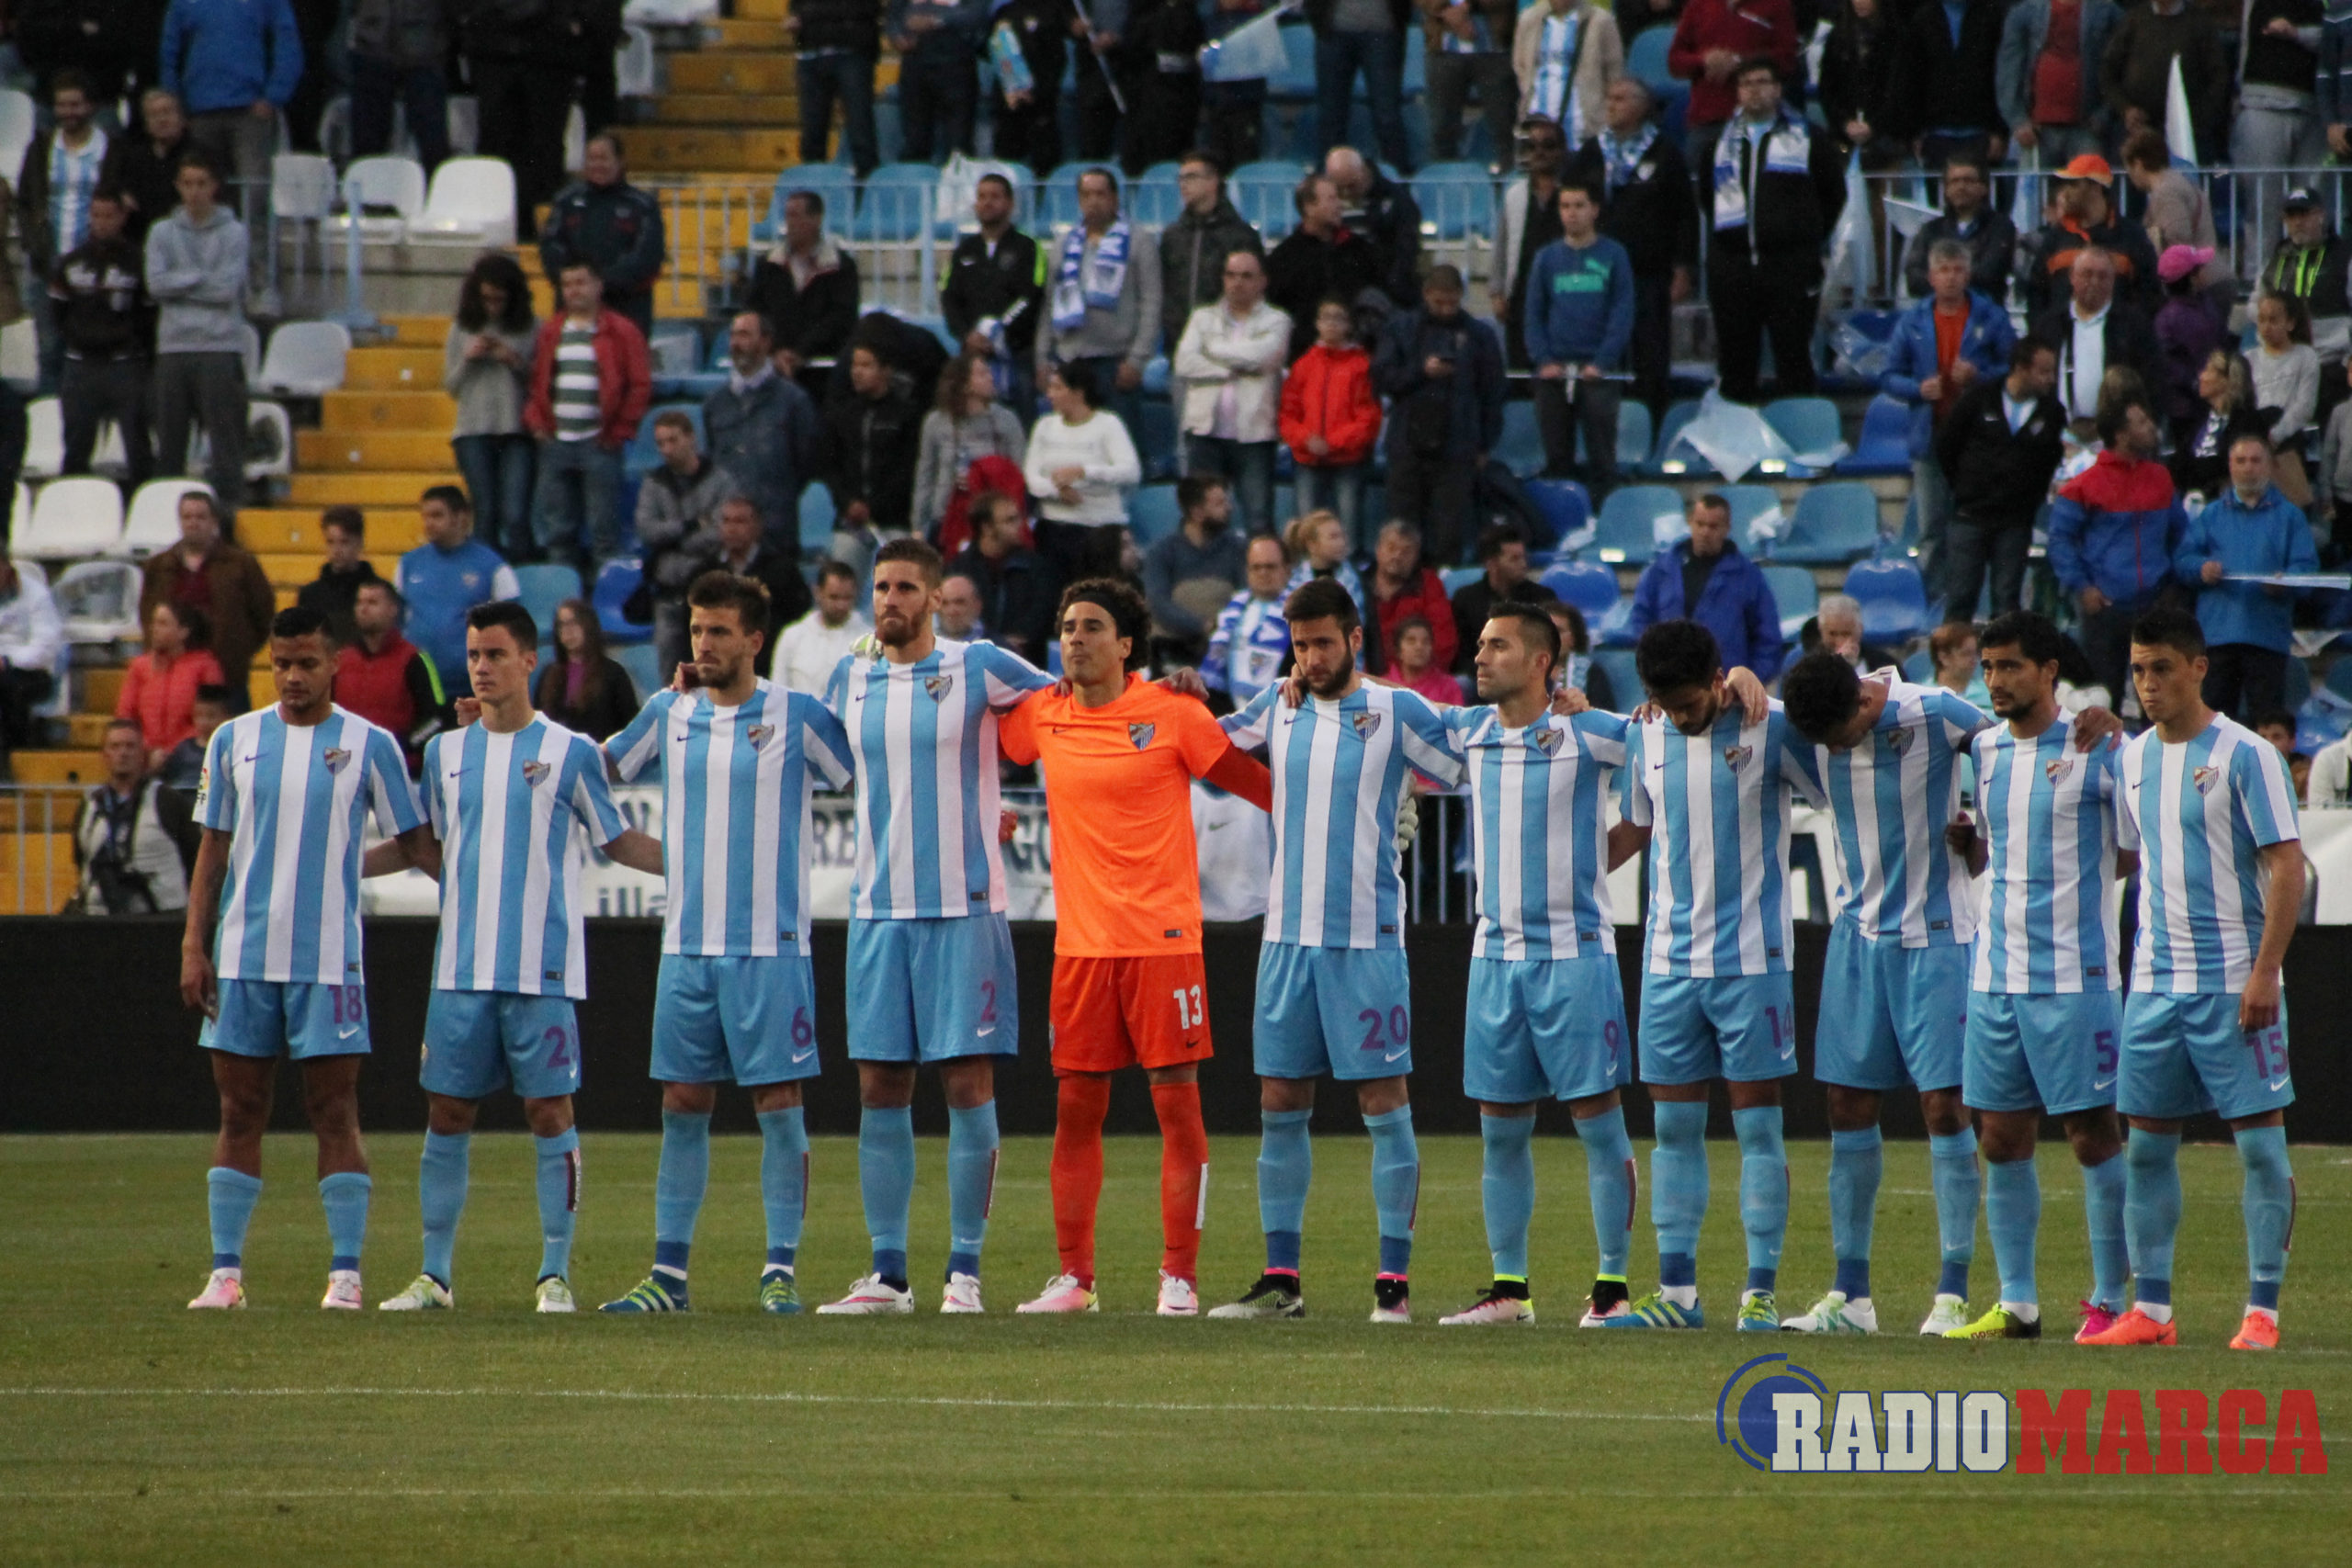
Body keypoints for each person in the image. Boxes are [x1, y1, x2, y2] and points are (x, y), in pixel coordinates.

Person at [370, 598, 656, 1314]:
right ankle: (434, 1275)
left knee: (550, 1112)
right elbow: (425, 846)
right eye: (474, 654)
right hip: (460, 967)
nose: (481, 666)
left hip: (541, 966)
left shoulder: (570, 752)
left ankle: (554, 1273)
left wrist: (700, 865)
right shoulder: (445, 754)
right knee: (447, 1113)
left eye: (495, 654)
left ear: (530, 660)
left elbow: (618, 839)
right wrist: (339, 865)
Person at [996, 577, 1272, 1314]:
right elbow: (971, 741)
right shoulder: (1042, 713)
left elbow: (1255, 783)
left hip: (1164, 941)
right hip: (1081, 949)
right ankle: (1075, 1279)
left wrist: (1347, 816)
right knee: (1075, 1112)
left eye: (1092, 627)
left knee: (1177, 1110)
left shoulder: (1174, 712)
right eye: (1067, 627)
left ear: (1125, 645)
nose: (1075, 638)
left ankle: (1179, 1276)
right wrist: (985, 811)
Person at [808, 538, 1057, 1314]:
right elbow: (805, 751)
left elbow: (1071, 705)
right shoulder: (849, 675)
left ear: (936, 597)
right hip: (879, 911)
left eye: (906, 587)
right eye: (882, 586)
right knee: (879, 1084)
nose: (890, 599)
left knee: (967, 1081)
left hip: (964, 908)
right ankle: (888, 1274)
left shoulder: (978, 666)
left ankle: (964, 1272)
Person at [596, 572, 854, 1314]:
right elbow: (593, 768)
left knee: (778, 1101)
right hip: (687, 945)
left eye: (717, 631)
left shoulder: (798, 715)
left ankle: (780, 1270)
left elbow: (866, 774)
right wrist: (633, 846)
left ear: (754, 640)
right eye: (696, 629)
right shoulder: (669, 710)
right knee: (682, 1101)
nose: (702, 643)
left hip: (771, 946)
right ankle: (668, 1277)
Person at [1207, 579, 1453, 1323]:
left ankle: (1393, 1286)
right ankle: (1281, 1279)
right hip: (1286, 938)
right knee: (1280, 1102)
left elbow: (1478, 749)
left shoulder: (1396, 709)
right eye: (1299, 644)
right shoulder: (1277, 706)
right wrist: (1177, 688)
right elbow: (1205, 741)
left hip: (1365, 939)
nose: (1310, 657)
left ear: (1354, 638)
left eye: (1322, 642)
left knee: (1384, 1102)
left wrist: (1562, 705)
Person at [179, 604, 434, 1313]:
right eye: (281, 664)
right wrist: (194, 943)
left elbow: (414, 842)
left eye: (306, 663)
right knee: (239, 1109)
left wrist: (472, 888)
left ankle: (346, 1273)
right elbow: (213, 848)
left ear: (334, 664)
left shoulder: (370, 744)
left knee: (334, 1108)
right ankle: (225, 1274)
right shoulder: (233, 739)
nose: (292, 676)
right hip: (242, 957)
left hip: (329, 961)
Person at [1409, 604, 1638, 1328]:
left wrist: (1595, 863)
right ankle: (1510, 1287)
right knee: (1501, 1130)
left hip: (1576, 956)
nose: (1480, 656)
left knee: (1598, 1124)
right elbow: (1378, 710)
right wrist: (1300, 679)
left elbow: (1667, 752)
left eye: (1498, 645)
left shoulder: (1590, 731)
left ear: (1543, 662)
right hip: (1495, 958)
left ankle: (1612, 1287)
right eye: (1480, 644)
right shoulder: (1468, 730)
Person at [2088, 607, 2303, 1350]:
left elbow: (2286, 866)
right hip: (2153, 984)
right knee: (2147, 1149)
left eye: (2162, 669)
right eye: (2138, 670)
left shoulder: (2247, 754)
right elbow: (2135, 857)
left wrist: (2265, 971)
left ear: (2198, 668)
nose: (2147, 684)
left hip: (2233, 980)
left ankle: (2262, 1311)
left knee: (2261, 1148)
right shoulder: (2132, 758)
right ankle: (2151, 1310)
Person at [1602, 619, 1820, 1331]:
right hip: (1669, 962)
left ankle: (1760, 1292)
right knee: (1672, 1127)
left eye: (1689, 704)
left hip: (1752, 962)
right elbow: (1636, 826)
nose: (1678, 717)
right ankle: (1678, 1294)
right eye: (1665, 704)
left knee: (1759, 1126)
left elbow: (1839, 775)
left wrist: (1765, 683)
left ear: (1718, 679)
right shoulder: (1645, 732)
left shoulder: (1769, 724)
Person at [1777, 650, 2003, 1337]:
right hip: (1857, 936)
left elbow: (2011, 752)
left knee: (1944, 1107)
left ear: (1861, 702)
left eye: (1839, 737)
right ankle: (1851, 1297)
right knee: (1846, 1103)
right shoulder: (1814, 726)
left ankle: (1952, 1292)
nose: (1834, 751)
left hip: (1938, 937)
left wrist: (1979, 829)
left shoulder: (1933, 712)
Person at [1936, 610, 2134, 1341]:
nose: (1995, 680)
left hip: (2075, 974)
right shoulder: (1985, 749)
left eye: (2010, 666)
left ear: (2050, 672)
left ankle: (2110, 1299)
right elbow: (1993, 849)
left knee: (2091, 1134)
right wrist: (1969, 846)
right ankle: (2017, 1300)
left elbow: (2132, 848)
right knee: (1999, 1136)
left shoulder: (2097, 745)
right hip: (1995, 972)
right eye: (1988, 666)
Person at [1701, 59, 1843, 405]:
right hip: (1733, 266)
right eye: (1746, 83)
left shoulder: (1809, 137)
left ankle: (1796, 431)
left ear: (1778, 89)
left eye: (1762, 81)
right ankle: (1738, 435)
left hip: (1790, 267)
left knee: (1793, 358)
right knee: (1735, 364)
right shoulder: (1718, 142)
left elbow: (1833, 194)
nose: (1754, 90)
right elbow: (1708, 197)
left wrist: (1799, 234)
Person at [1885, 239, 2017, 610]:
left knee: (1979, 525)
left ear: (1968, 274)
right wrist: (1917, 388)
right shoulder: (1913, 321)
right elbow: (1888, 375)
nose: (1951, 277)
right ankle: (1933, 605)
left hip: (1979, 441)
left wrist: (1980, 376)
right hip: (1930, 436)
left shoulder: (1990, 316)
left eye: (1958, 269)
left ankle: (1979, 604)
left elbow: (2014, 368)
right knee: (1931, 528)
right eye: (1943, 270)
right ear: (1931, 277)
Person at [1565, 80, 1697, 416]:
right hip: (1597, 271)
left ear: (1641, 106)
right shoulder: (1593, 151)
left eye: (1620, 99)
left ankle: (1650, 420)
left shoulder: (1664, 152)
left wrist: (1683, 266)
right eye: (1609, 98)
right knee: (1601, 352)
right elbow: (1570, 203)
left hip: (1648, 272)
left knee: (1649, 353)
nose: (1611, 105)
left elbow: (1684, 213)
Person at [2051, 390, 2187, 708]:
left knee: (2160, 702)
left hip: (2155, 605)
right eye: (2142, 422)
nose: (2151, 427)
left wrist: (2174, 583)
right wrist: (2083, 587)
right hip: (2105, 609)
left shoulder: (2161, 478)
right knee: (2103, 702)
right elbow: (2060, 540)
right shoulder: (2083, 486)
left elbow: (2181, 534)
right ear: (2122, 435)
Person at [2175, 433, 2320, 721]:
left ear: (2269, 466)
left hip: (2267, 637)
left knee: (2265, 725)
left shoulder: (2291, 518)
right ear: (2230, 465)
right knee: (2214, 725)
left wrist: (2285, 582)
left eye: (2255, 460)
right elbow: (2182, 560)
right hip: (2217, 637)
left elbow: (2307, 571)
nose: (2248, 468)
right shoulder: (2211, 515)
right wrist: (2201, 568)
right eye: (2241, 461)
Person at [525, 262, 651, 570]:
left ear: (598, 285)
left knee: (603, 530)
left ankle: (602, 596)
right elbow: (537, 381)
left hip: (600, 443)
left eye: (580, 282)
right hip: (556, 443)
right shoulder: (551, 331)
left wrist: (620, 430)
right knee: (558, 532)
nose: (574, 291)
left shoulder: (622, 330)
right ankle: (562, 592)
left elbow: (640, 384)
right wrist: (537, 423)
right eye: (567, 284)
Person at [1375, 265, 1506, 567]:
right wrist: (1421, 372)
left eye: (1452, 302)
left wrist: (1485, 444)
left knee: (1450, 533)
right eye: (1439, 303)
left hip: (1458, 447)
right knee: (1403, 530)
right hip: (1407, 444)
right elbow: (1383, 378)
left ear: (1461, 296)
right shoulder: (1400, 328)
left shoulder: (1480, 335)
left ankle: (1445, 587)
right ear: (1426, 295)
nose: (1446, 309)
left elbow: (1493, 393)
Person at [1937, 335, 2067, 619]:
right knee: (1960, 599)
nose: (2051, 379)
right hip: (1970, 516)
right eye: (2043, 372)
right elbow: (1947, 446)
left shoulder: (2053, 413)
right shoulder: (1978, 398)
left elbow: (2051, 461)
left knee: (2006, 603)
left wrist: (2029, 500)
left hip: (2015, 522)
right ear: (2021, 368)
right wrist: (1965, 488)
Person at [145, 150, 247, 512]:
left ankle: (229, 511)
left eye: (202, 183)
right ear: (178, 186)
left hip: (219, 346)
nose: (194, 192)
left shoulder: (234, 232)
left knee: (225, 439)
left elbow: (226, 290)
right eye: (187, 184)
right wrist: (201, 278)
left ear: (215, 186)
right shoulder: (161, 231)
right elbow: (156, 286)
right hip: (173, 347)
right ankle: (165, 512)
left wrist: (180, 283)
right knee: (170, 440)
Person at [1525, 181, 1632, 502]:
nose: (1571, 213)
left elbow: (1622, 312)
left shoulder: (1614, 255)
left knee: (1602, 458)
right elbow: (1533, 314)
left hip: (1598, 372)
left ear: (1594, 210)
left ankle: (1604, 514)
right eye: (1565, 206)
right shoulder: (1546, 258)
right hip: (1554, 372)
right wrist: (1543, 360)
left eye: (1579, 206)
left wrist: (1602, 361)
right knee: (1556, 458)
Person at [1172, 251, 1289, 533]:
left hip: (1255, 435)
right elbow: (1184, 363)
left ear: (1262, 281)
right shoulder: (1202, 317)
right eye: (1231, 275)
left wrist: (1212, 351)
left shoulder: (1277, 320)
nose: (1237, 282)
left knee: (1258, 519)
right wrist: (1227, 371)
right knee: (1202, 519)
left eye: (1247, 276)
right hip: (1205, 434)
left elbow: (1263, 356)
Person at [1038, 169, 1160, 437]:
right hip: (1070, 359)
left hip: (1116, 363)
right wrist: (1042, 357)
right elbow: (1049, 305)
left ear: (1115, 198)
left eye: (1100, 194)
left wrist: (1137, 360)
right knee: (1072, 441)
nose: (1093, 201)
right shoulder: (1064, 243)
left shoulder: (1138, 241)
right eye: (1086, 195)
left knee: (1121, 442)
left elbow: (1151, 303)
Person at [16, 71, 113, 391]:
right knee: (49, 349)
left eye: (75, 104)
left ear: (90, 106)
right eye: (62, 105)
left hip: (95, 262)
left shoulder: (109, 148)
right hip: (49, 261)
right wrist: (33, 242)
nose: (68, 112)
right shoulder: (41, 147)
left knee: (93, 347)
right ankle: (49, 410)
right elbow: (26, 201)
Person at [158, 0, 303, 210]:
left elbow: (287, 41)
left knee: (253, 192)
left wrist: (274, 96)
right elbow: (169, 48)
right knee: (202, 190)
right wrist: (175, 102)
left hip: (250, 112)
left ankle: (253, 233)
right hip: (199, 112)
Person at [50, 186, 151, 486]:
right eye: (96, 215)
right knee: (76, 445)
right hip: (81, 365)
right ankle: (73, 503)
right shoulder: (70, 262)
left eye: (109, 215)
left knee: (137, 444)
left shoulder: (137, 261)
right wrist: (79, 338)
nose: (102, 222)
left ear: (121, 217)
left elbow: (147, 314)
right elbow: (58, 312)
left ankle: (139, 501)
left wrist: (129, 341)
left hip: (124, 364)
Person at [1626, 492, 1784, 682]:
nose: (1705, 532)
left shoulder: (1748, 576)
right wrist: (1654, 668)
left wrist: (1749, 682)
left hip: (1724, 688)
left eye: (1713, 526)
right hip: (1669, 684)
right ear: (1690, 522)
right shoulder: (1661, 570)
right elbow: (1640, 620)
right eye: (1700, 524)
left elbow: (1768, 638)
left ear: (1727, 528)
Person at [701, 312, 821, 557]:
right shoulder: (714, 404)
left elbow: (807, 462)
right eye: (733, 335)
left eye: (744, 335)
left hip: (776, 530)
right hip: (727, 533)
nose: (736, 343)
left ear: (766, 342)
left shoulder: (794, 401)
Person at [445, 254, 539, 564]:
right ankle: (487, 579)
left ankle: (523, 574)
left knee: (516, 513)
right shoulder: (461, 328)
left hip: (517, 429)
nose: (492, 307)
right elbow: (451, 385)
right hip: (473, 430)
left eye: (499, 300)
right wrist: (468, 358)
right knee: (485, 512)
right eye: (486, 299)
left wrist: (513, 360)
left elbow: (540, 382)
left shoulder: (530, 327)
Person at [634, 409, 741, 667]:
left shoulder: (719, 480)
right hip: (667, 594)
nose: (666, 449)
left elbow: (720, 532)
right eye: (661, 443)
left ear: (691, 438)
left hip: (708, 594)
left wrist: (672, 539)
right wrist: (689, 526)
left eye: (673, 440)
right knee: (671, 675)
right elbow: (646, 530)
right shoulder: (654, 483)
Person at [140, 490, 273, 694]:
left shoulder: (241, 565)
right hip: (171, 676)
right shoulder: (158, 566)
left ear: (214, 521)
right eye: (187, 517)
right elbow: (147, 614)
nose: (193, 523)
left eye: (200, 517)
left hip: (227, 677)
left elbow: (263, 615)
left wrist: (238, 650)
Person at [941, 174, 1048, 427]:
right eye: (982, 197)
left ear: (1010, 204)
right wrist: (967, 334)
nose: (987, 202)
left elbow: (1031, 297)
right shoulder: (964, 250)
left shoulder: (1028, 248)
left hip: (1018, 355)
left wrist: (998, 332)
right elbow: (949, 297)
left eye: (995, 196)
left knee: (1021, 427)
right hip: (973, 356)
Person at [537, 135, 665, 345]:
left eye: (604, 158)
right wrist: (580, 284)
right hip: (574, 311)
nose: (597, 165)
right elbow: (550, 249)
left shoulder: (643, 206)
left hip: (628, 310)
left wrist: (599, 284)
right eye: (592, 159)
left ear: (620, 161)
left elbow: (648, 257)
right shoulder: (565, 201)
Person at [397, 485, 522, 701]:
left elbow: (513, 626)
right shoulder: (408, 564)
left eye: (437, 515)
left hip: (471, 688)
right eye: (425, 516)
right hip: (417, 687)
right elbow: (395, 619)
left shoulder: (492, 566)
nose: (428, 523)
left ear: (461, 517)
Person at [460, 0, 574, 237]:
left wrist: (571, 21)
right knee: (495, 149)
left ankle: (545, 233)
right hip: (492, 55)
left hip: (551, 58)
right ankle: (494, 228)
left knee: (545, 151)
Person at [1279, 299, 1382, 552]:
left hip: (1348, 460)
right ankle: (1306, 571)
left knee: (1348, 529)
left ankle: (1347, 570)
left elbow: (1368, 417)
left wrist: (1333, 443)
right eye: (1326, 317)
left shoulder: (1362, 366)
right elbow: (1288, 413)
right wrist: (1306, 439)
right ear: (1317, 323)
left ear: (1349, 325)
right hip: (1308, 458)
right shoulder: (1304, 365)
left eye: (1338, 318)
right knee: (1307, 530)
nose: (1331, 324)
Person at [1024, 360, 1142, 581]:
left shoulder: (1108, 424)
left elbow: (1130, 471)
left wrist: (1084, 472)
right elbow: (1031, 476)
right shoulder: (1044, 426)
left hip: (1099, 528)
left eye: (1057, 388)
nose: (1049, 394)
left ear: (1078, 392)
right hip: (1053, 527)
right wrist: (1057, 492)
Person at [680, 495, 814, 681]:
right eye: (727, 521)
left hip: (769, 671)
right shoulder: (704, 573)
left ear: (758, 527)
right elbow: (687, 625)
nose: (732, 528)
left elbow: (798, 622)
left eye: (740, 521)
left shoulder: (781, 571)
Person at [747, 188, 862, 403]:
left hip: (825, 374)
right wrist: (777, 350)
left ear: (816, 219)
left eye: (795, 215)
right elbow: (755, 311)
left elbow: (842, 317)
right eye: (787, 215)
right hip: (774, 372)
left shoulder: (841, 267)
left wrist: (802, 351)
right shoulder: (768, 265)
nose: (789, 223)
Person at [74, 718, 195, 915]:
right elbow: (81, 857)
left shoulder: (168, 801)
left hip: (162, 917)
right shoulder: (90, 804)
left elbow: (193, 855)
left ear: (142, 754)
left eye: (130, 746)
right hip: (99, 916)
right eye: (115, 746)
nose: (123, 753)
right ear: (104, 755)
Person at [2034, 246, 2159, 430]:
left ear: (2113, 280)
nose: (2094, 282)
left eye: (2103, 276)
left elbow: (2154, 381)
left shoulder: (2134, 326)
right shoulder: (2049, 325)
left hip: (2115, 436)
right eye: (2087, 274)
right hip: (2058, 434)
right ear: (2072, 277)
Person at [1266, 174, 1386, 363]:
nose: (1339, 205)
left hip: (1355, 359)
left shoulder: (1360, 251)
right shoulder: (1284, 258)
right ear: (1309, 207)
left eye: (1338, 198)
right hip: (1305, 360)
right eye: (1331, 199)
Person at [821, 341, 923, 560]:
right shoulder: (843, 414)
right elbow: (831, 466)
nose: (857, 372)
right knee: (841, 561)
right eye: (855, 365)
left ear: (886, 370)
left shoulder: (906, 415)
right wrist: (848, 503)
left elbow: (908, 469)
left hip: (894, 521)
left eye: (866, 365)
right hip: (850, 521)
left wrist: (874, 507)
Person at [1667, 0, 1799, 169]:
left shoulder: (1776, 4)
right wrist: (1703, 61)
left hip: (1759, 121)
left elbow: (1787, 59)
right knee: (1698, 180)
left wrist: (1740, 62)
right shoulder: (1698, 4)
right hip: (1708, 119)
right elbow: (1675, 61)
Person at [2023, 157, 2161, 318]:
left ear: (2096, 187)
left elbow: (2149, 294)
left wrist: (2129, 329)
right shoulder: (2055, 237)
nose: (2065, 192)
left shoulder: (2132, 236)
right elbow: (2036, 292)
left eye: (2073, 184)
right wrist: (2044, 329)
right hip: (2063, 332)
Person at [1159, 154, 1264, 363]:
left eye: (1191, 177)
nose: (1183, 185)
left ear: (1212, 181)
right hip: (1179, 344)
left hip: (1228, 343)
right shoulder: (1172, 236)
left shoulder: (1241, 235)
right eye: (1181, 178)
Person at [916, 349, 1027, 545]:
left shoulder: (1006, 419)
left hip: (992, 520)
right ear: (964, 384)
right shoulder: (936, 421)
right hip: (945, 517)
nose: (990, 377)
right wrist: (918, 525)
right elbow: (925, 475)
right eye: (982, 373)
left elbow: (1018, 471)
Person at [1997, 0, 2121, 171]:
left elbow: (2120, 69)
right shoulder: (2024, 12)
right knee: (2036, 188)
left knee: (2089, 185)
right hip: (2036, 131)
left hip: (2088, 128)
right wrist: (2017, 120)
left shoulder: (2108, 12)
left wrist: (2104, 115)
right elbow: (2008, 71)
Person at [336, 577, 444, 770]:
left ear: (392, 609)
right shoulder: (340, 661)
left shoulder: (416, 660)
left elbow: (434, 720)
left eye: (372, 603)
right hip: (347, 769)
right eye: (360, 602)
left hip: (400, 771)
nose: (364, 609)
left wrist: (399, 746)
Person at [1888, 0, 2007, 173]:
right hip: (1935, 134)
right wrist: (1914, 133)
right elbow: (1910, 79)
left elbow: (2001, 76)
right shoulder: (1923, 19)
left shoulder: (1991, 16)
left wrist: (2000, 131)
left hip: (1983, 133)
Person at [2100, 0, 2226, 163]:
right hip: (2136, 132)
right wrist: (2126, 109)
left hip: (2186, 135)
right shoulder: (2134, 20)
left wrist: (2198, 119)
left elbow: (2218, 78)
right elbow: (2108, 72)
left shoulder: (2199, 23)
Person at [2120, 130, 2231, 315]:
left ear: (2138, 164)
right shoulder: (2181, 182)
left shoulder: (2166, 192)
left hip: (2202, 286)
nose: (2130, 176)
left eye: (2129, 168)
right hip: (2213, 278)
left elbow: (2178, 240)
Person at [1141, 474, 1246, 662]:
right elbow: (1158, 603)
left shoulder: (1238, 548)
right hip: (1174, 645)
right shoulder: (1161, 552)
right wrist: (1202, 626)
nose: (1229, 508)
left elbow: (1246, 594)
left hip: (1227, 644)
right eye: (1220, 503)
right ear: (1197, 512)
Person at [1494, 114, 1570, 371]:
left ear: (1562, 150)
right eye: (1531, 146)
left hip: (1566, 296)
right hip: (1522, 297)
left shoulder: (1575, 194)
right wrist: (1497, 291)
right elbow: (1502, 244)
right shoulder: (1514, 194)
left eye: (1548, 145)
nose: (1539, 152)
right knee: (1520, 372)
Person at [118, 599, 225, 773]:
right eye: (154, 623)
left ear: (183, 632)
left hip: (191, 759)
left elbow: (211, 715)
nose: (154, 629)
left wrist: (174, 752)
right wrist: (147, 751)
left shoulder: (205, 666)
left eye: (163, 624)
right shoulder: (139, 667)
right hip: (145, 760)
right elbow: (125, 717)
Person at [950, 491, 1060, 659]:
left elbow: (1043, 613)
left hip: (1025, 659)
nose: (1020, 526)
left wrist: (1017, 639)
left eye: (1018, 518)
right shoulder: (959, 570)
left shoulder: (1036, 567)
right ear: (987, 527)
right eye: (1010, 520)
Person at [1309, 0, 1416, 175]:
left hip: (1383, 30)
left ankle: (1396, 179)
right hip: (1332, 30)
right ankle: (1329, 178)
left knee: (1387, 116)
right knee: (1330, 115)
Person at [347, 0, 452, 170]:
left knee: (432, 142)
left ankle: (439, 184)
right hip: (372, 44)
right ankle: (366, 185)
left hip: (425, 44)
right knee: (367, 144)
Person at [1510, 0, 1623, 152]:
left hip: (1584, 122)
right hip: (1536, 118)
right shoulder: (1528, 19)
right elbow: (1520, 65)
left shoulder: (1601, 21)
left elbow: (1614, 72)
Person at [1322, 147, 1426, 313]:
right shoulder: (1327, 203)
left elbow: (1407, 248)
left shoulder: (1397, 199)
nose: (1346, 193)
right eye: (1340, 188)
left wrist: (1393, 284)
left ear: (1363, 171)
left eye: (1352, 186)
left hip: (1387, 290)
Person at [1900, 157, 2016, 304]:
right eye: (1954, 181)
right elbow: (1914, 278)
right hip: (1936, 313)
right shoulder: (1931, 229)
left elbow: (1990, 273)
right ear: (1946, 190)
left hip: (1985, 313)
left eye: (1968, 180)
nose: (1961, 187)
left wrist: (1945, 281)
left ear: (1983, 188)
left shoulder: (2001, 227)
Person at [1419, 0, 1521, 165]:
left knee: (1504, 127)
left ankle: (1509, 176)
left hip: (1493, 48)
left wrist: (1465, 6)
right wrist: (1446, 9)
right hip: (1443, 50)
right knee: (1441, 130)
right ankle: (1444, 178)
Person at [791, 0, 884, 175]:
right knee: (812, 133)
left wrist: (809, 15)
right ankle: (813, 186)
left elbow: (868, 8)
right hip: (812, 53)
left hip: (852, 52)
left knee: (860, 129)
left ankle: (866, 183)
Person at [1449, 521, 1556, 670]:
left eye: (1524, 557)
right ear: (1491, 564)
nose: (1523, 564)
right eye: (1514, 559)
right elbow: (1462, 655)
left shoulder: (1542, 598)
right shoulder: (1466, 599)